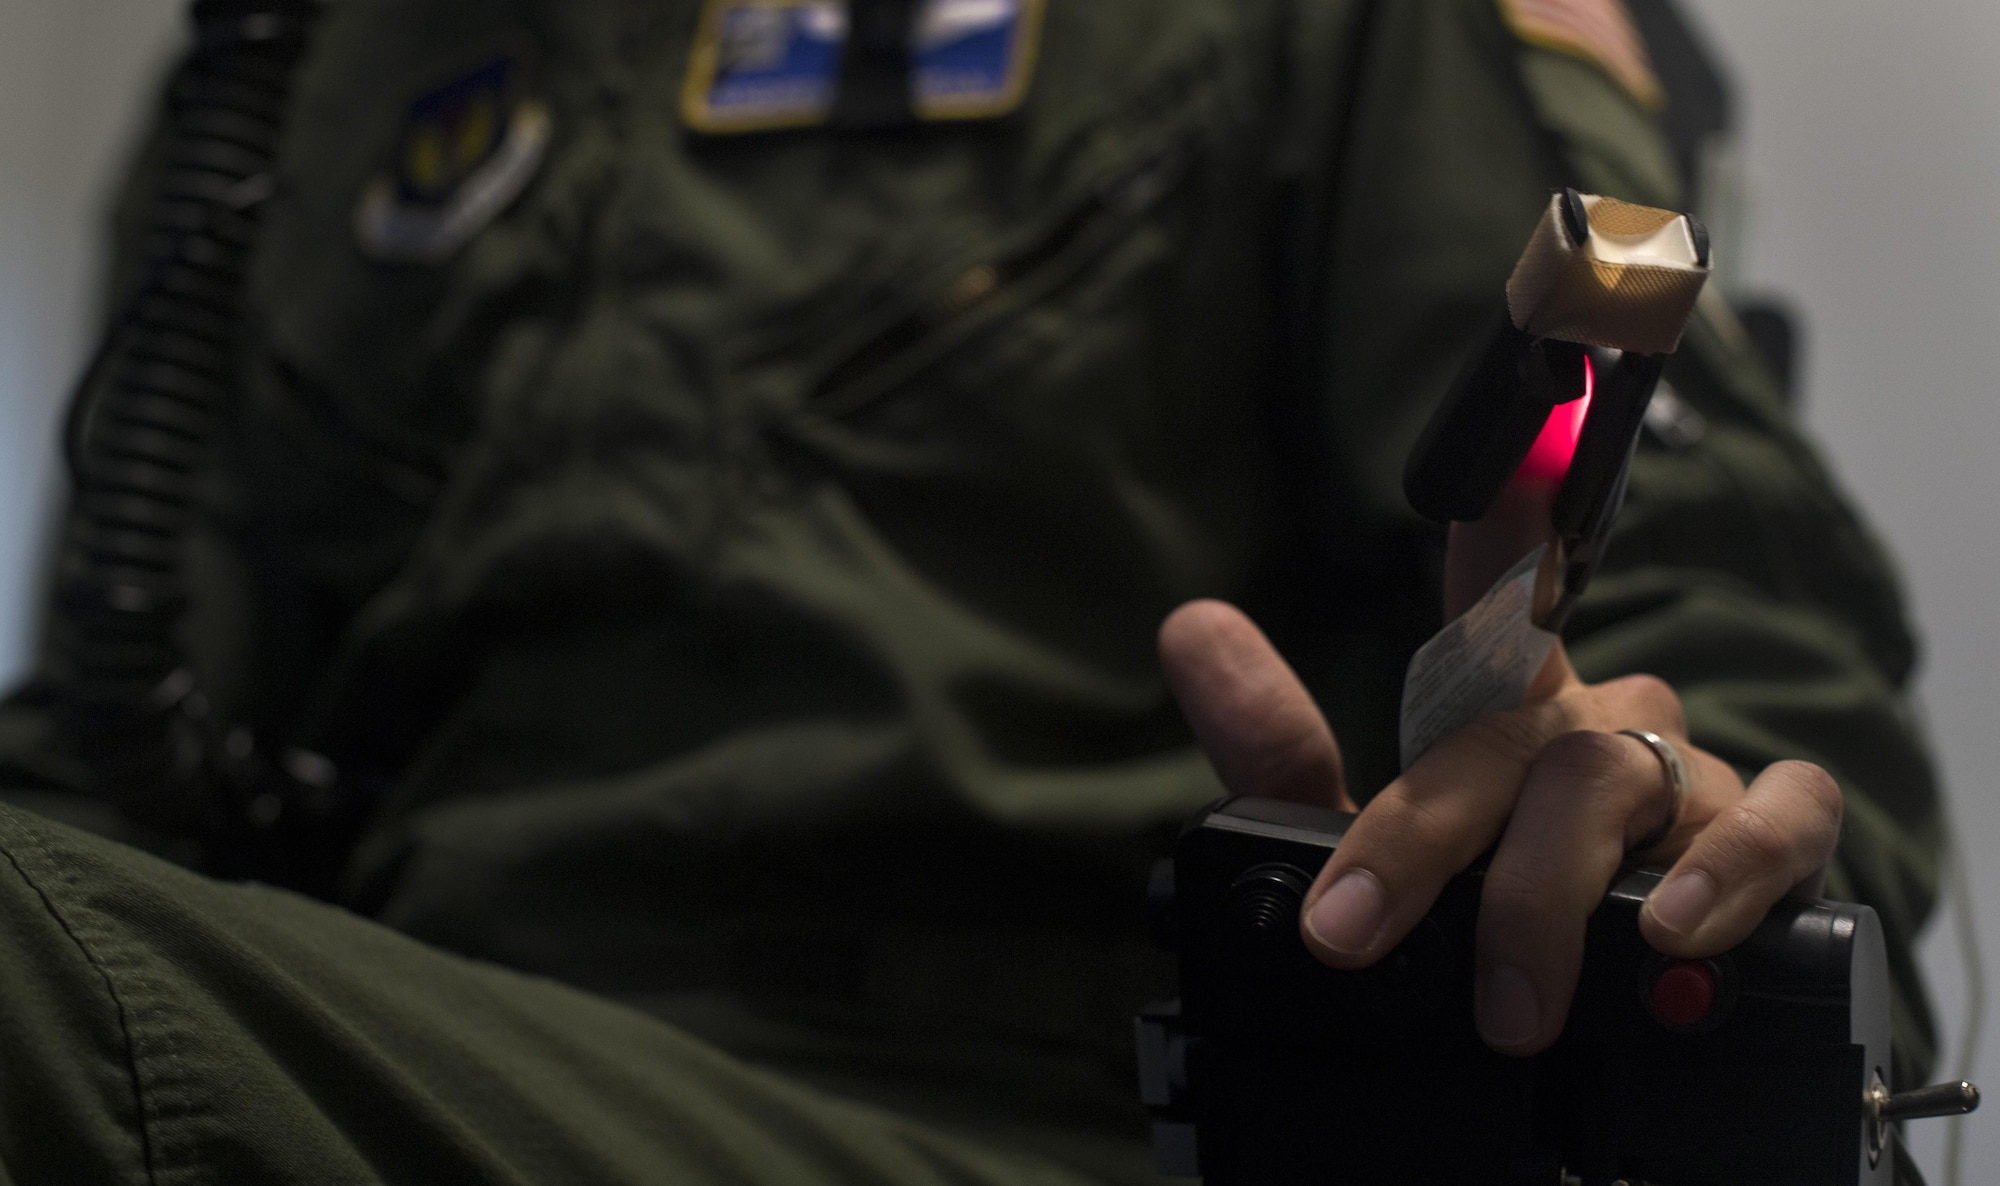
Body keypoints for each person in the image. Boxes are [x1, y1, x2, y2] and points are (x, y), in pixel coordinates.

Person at [0, 0, 1941, 1181]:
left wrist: (1637, 814)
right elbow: (117, 722)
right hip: (361, 1050)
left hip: (1016, 1105)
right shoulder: (321, 59)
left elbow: (1727, 631)